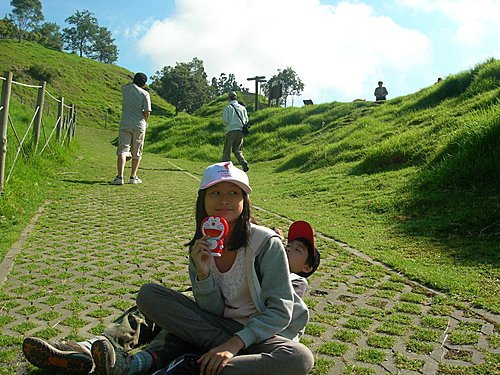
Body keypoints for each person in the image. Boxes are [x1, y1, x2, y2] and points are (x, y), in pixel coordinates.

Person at [22, 162, 315, 375]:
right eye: (215, 193)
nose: (225, 200)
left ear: (244, 201)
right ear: (203, 201)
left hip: (259, 337)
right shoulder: (201, 245)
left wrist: (234, 345)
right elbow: (211, 308)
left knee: (299, 358)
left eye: (234, 193)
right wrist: (202, 275)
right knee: (149, 295)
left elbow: (280, 311)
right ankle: (101, 352)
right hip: (213, 328)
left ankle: (191, 367)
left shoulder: (266, 243)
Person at [111, 72, 152, 185]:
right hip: (139, 125)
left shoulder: (125, 89)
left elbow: (128, 85)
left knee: (122, 150)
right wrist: (145, 121)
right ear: (144, 83)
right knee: (137, 152)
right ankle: (133, 177)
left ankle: (119, 177)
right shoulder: (145, 94)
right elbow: (147, 112)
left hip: (125, 123)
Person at [221, 92, 249, 172]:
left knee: (227, 149)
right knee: (237, 150)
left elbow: (225, 121)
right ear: (236, 98)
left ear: (228, 98)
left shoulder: (228, 107)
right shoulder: (242, 108)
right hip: (241, 131)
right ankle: (243, 161)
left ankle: (226, 168)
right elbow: (246, 120)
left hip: (231, 130)